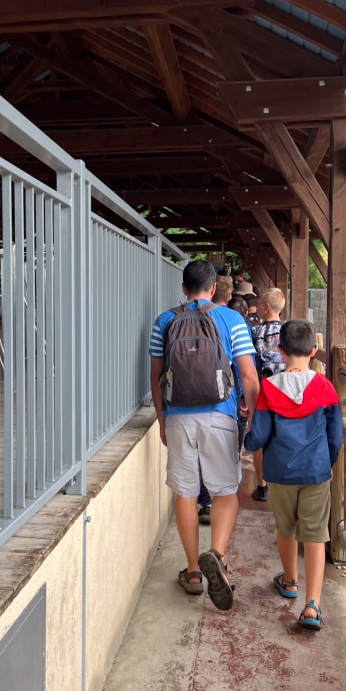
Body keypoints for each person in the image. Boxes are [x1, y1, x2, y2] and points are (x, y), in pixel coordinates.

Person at [149, 260, 259, 611]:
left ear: (183, 288)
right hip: (220, 415)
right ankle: (218, 555)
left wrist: (162, 420)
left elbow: (156, 376)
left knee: (185, 492)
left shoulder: (164, 321)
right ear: (213, 288)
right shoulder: (232, 320)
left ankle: (194, 572)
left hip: (178, 416)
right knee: (225, 490)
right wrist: (255, 416)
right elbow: (248, 375)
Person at [243, 319, 342, 630]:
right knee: (314, 535)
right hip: (315, 471)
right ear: (314, 350)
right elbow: (334, 436)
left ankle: (289, 580)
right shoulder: (325, 387)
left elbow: (260, 434)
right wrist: (326, 462)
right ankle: (312, 606)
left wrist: (248, 442)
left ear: (280, 350)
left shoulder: (269, 388)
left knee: (285, 527)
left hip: (280, 471)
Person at [250, 287, 286, 501]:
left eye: (259, 305)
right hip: (286, 391)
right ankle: (282, 482)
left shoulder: (256, 331)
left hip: (262, 389)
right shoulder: (289, 330)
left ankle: (262, 486)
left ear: (266, 306)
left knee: (259, 435)